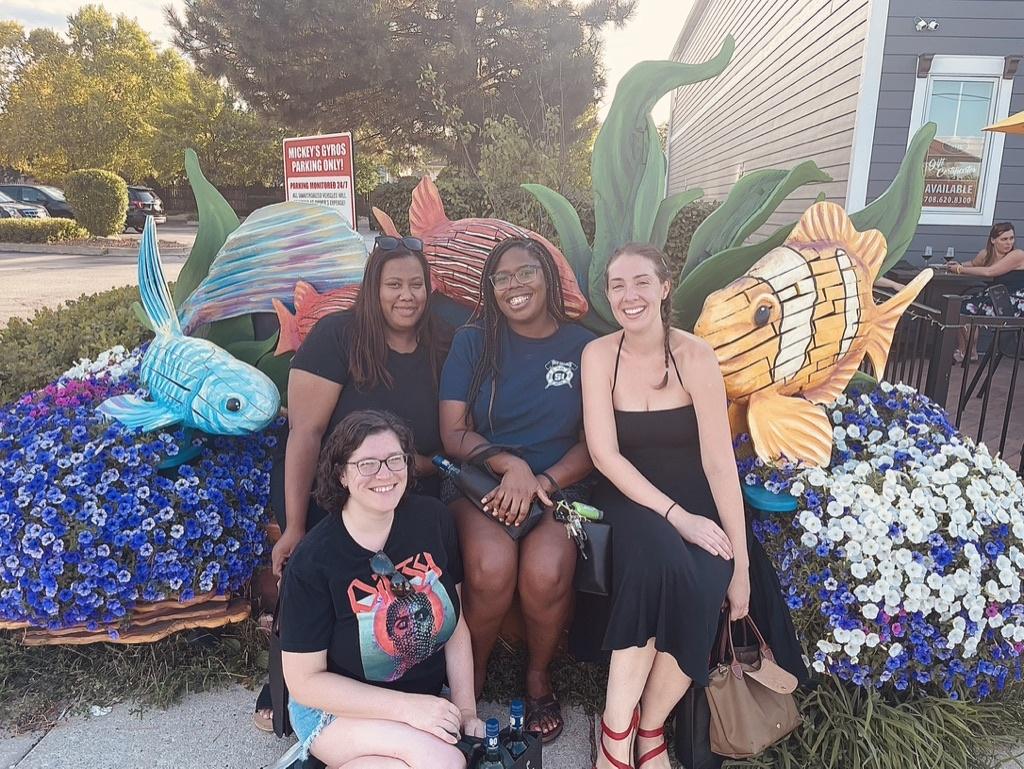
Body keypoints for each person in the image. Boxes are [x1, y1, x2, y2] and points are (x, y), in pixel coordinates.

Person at [580, 243, 805, 769]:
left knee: (709, 578)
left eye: (641, 283)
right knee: (659, 567)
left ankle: (650, 730)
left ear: (663, 289)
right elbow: (604, 455)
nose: (629, 295)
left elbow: (720, 462)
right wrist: (675, 517)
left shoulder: (695, 355)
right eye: (617, 285)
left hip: (698, 498)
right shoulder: (598, 356)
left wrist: (741, 569)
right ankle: (615, 738)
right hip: (631, 496)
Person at [256, 235, 449, 731]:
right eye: (393, 284)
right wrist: (295, 524)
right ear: (373, 288)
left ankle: (405, 670)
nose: (406, 296)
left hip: (405, 488)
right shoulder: (338, 336)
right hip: (331, 489)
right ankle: (290, 672)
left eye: (416, 285)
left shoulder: (440, 344)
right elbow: (306, 432)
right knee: (318, 566)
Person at [439, 237, 595, 743]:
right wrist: (511, 467)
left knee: (547, 571)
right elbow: (453, 430)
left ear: (548, 277)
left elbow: (594, 443)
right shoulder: (473, 342)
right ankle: (472, 675)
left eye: (525, 272)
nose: (513, 286)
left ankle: (537, 674)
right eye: (501, 278)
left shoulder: (583, 347)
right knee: (490, 567)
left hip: (558, 488)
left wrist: (541, 481)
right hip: (483, 484)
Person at [279, 409, 483, 768]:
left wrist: (466, 709)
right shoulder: (312, 563)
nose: (385, 474)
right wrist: (407, 709)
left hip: (417, 703)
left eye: (394, 460)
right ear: (341, 473)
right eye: (367, 464)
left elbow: (455, 625)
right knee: (443, 762)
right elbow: (304, 682)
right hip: (335, 710)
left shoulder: (432, 519)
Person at [948, 223, 1024, 361]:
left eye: (1011, 238)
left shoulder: (1017, 255)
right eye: (1004, 239)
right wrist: (956, 264)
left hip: (1014, 300)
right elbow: (972, 264)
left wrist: (960, 270)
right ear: (993, 240)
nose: (1009, 243)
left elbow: (990, 272)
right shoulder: (986, 255)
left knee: (966, 308)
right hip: (995, 296)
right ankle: (967, 350)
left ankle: (967, 352)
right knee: (959, 304)